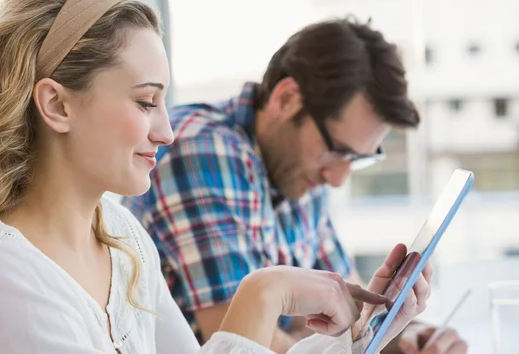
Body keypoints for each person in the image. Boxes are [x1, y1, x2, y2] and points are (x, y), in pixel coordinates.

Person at [0, 0, 429, 354]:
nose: (165, 131)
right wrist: (263, 293)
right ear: (57, 105)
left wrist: (363, 336)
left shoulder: (117, 237)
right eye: (144, 102)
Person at [122, 18, 468, 354]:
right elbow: (245, 343)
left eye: (356, 159)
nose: (338, 179)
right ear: (286, 99)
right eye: (338, 151)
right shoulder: (201, 150)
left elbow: (346, 312)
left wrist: (407, 336)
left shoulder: (301, 167)